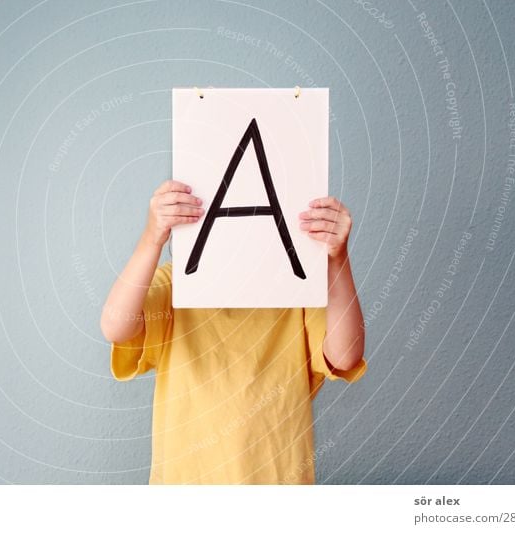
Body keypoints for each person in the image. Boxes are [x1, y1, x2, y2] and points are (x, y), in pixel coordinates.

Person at [101, 179, 367, 484]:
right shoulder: (176, 284)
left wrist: (337, 258)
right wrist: (151, 238)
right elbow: (115, 326)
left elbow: (345, 355)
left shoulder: (296, 288)